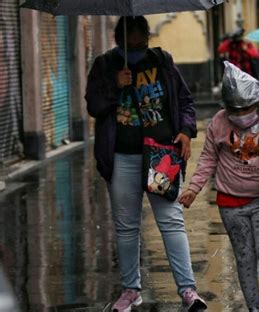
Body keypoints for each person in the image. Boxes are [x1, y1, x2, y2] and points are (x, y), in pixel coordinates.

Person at [85, 16, 207, 312]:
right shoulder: (104, 65)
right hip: (122, 157)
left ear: (148, 37)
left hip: (161, 155)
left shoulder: (162, 62)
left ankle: (188, 290)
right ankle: (130, 290)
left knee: (171, 222)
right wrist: (115, 85)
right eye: (132, 40)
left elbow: (184, 102)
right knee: (126, 227)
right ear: (118, 39)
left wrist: (187, 131)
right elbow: (94, 106)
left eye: (142, 39)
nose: (138, 44)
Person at [178, 62, 259, 312]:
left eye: (247, 108)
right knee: (245, 257)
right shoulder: (218, 122)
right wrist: (194, 187)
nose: (242, 114)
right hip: (230, 203)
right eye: (235, 109)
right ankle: (254, 307)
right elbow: (207, 158)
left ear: (257, 104)